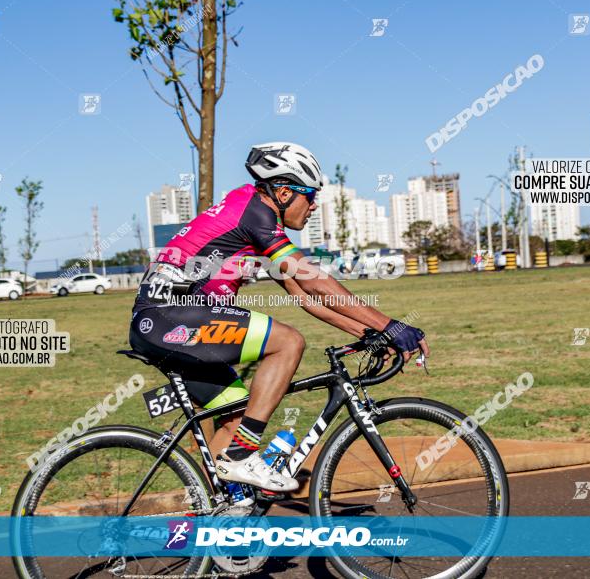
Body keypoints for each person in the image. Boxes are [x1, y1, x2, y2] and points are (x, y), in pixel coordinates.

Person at [129, 142, 428, 493]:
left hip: (171, 322)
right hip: (170, 317)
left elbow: (307, 298)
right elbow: (312, 278)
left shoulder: (255, 220)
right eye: (310, 196)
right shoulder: (254, 214)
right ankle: (242, 455)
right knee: (288, 342)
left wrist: (369, 333)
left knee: (235, 417)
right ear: (284, 191)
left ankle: (214, 517)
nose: (314, 206)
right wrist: (389, 324)